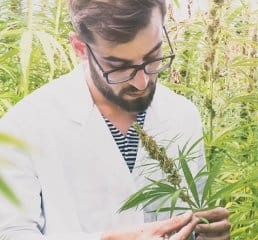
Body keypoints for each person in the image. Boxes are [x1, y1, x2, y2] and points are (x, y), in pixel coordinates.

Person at [0, 0, 230, 239]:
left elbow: (194, 211)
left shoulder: (183, 116)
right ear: (80, 48)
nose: (141, 82)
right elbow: (12, 233)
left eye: (153, 56)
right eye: (119, 67)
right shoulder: (24, 125)